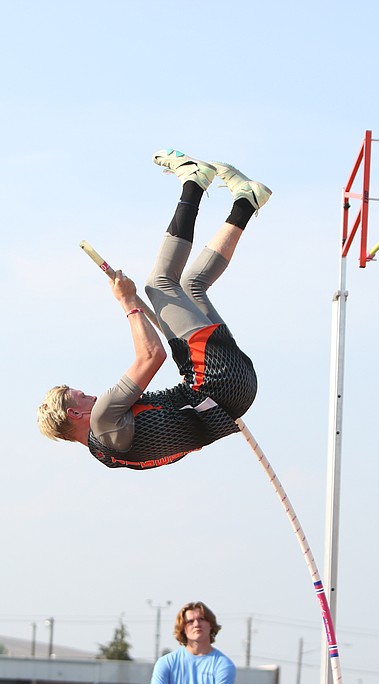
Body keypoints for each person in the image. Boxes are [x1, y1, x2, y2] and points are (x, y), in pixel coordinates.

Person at [37, 149, 271, 470]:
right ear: (74, 414)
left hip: (237, 394)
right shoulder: (104, 417)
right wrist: (127, 301)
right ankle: (194, 182)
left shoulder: (112, 457)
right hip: (215, 381)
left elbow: (185, 443)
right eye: (81, 396)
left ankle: (246, 201)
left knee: (192, 287)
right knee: (159, 284)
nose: (90, 395)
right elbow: (151, 356)